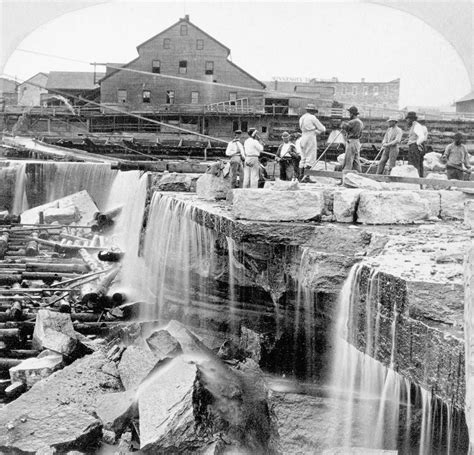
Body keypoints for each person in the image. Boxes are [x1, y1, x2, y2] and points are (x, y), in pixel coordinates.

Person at [298, 104, 326, 180]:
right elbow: (322, 128)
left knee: (303, 157)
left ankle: (300, 176)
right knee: (310, 157)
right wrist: (317, 131)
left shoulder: (302, 117)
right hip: (310, 137)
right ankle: (306, 177)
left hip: (303, 136)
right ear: (313, 111)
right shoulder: (312, 117)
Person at [341, 106, 364, 172]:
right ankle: (360, 176)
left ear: (352, 114)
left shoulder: (354, 121)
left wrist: (343, 124)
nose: (349, 115)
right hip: (356, 142)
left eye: (349, 113)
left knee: (348, 160)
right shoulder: (360, 122)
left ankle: (344, 177)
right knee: (356, 162)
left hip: (352, 142)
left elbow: (343, 126)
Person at [405, 111, 425, 177]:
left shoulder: (417, 126)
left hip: (415, 148)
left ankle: (417, 182)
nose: (407, 121)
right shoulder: (413, 126)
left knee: (414, 165)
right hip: (413, 146)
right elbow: (414, 136)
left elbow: (422, 137)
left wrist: (416, 144)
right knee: (414, 165)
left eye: (408, 119)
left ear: (411, 119)